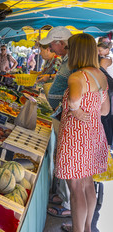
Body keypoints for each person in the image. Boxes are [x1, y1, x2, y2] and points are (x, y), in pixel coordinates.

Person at [54, 33, 110, 232]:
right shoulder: (100, 74)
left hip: (76, 136)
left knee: (76, 188)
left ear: (77, 52)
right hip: (94, 133)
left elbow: (74, 100)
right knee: (87, 185)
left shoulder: (77, 76)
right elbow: (104, 111)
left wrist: (76, 108)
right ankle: (87, 228)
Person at [40, 26, 73, 219]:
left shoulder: (74, 62)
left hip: (67, 118)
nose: (51, 47)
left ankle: (68, 202)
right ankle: (62, 195)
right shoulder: (66, 60)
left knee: (68, 162)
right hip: (61, 115)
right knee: (61, 157)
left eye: (52, 43)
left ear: (61, 43)